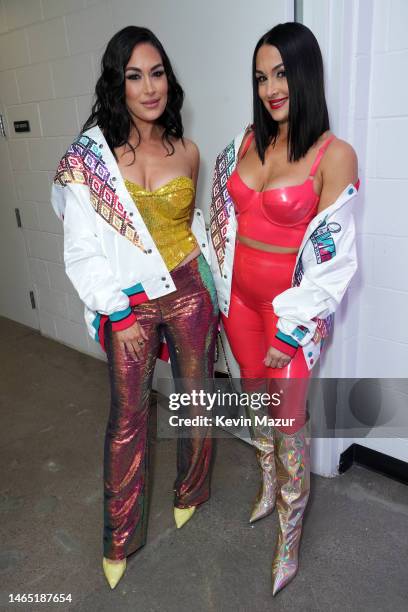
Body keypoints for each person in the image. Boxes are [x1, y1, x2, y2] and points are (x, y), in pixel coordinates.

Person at [52, 26, 218, 590]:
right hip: (131, 306)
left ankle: (191, 491)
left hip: (190, 289)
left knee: (197, 397)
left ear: (169, 78)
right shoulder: (91, 157)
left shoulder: (188, 151)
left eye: (158, 73)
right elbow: (79, 248)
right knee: (128, 420)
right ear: (116, 84)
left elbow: (188, 227)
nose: (150, 87)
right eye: (134, 75)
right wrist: (115, 313)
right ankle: (119, 539)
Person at [209, 22, 359, 595]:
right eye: (261, 76)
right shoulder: (246, 142)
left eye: (281, 73)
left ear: (305, 74)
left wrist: (296, 329)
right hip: (239, 307)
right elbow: (224, 219)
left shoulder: (333, 154)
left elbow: (336, 258)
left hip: (286, 315)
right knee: (255, 403)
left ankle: (289, 534)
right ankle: (268, 487)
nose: (272, 87)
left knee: (288, 420)